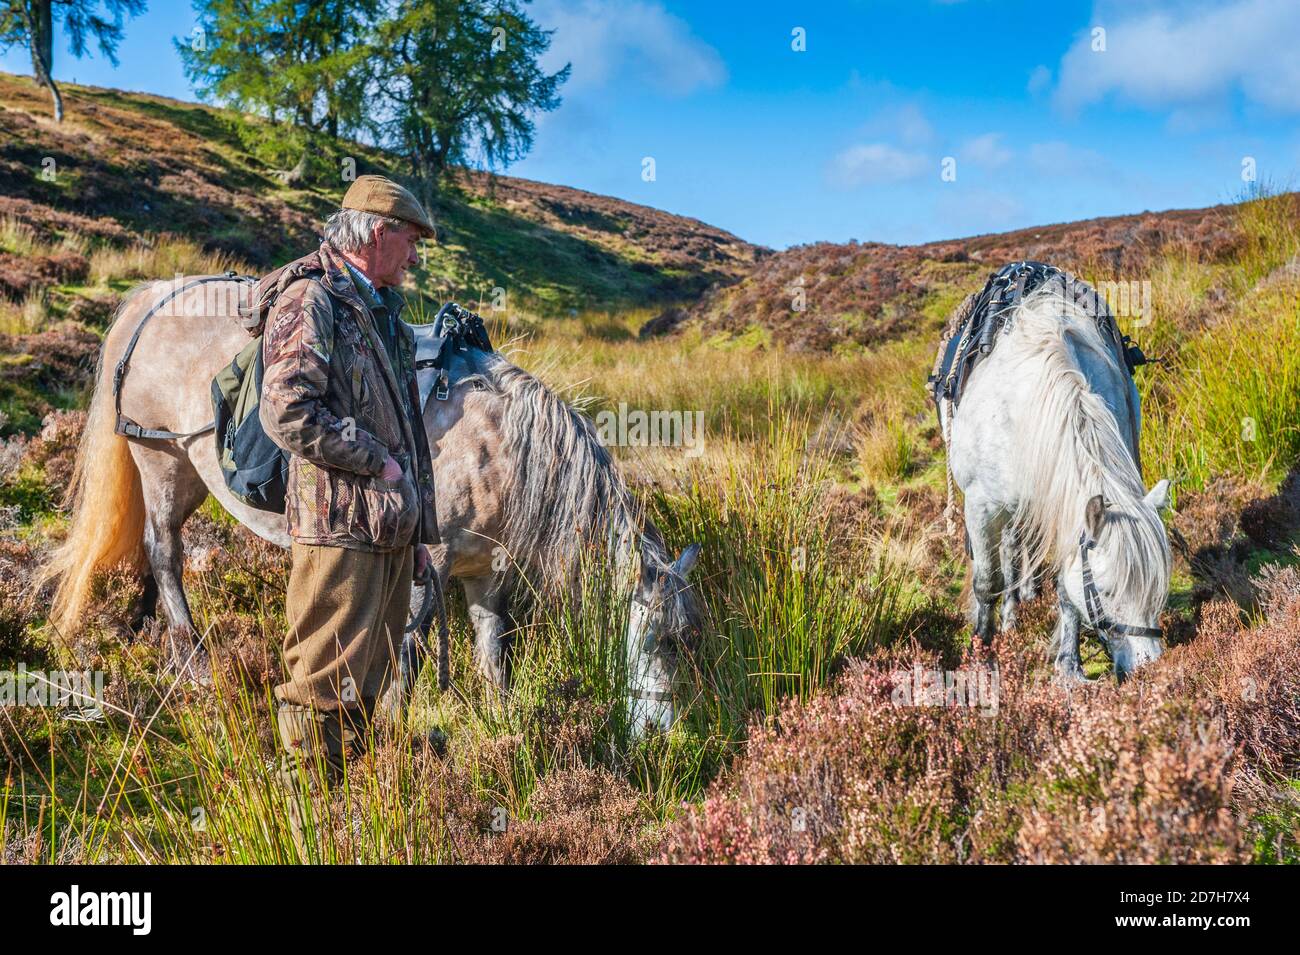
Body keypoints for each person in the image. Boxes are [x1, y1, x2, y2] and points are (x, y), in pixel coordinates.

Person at [257, 175, 438, 782]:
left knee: (365, 682)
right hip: (339, 526)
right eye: (410, 240)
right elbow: (287, 409)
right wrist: (374, 461)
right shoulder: (311, 299)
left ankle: (345, 807)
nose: (414, 257)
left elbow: (407, 429)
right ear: (378, 233)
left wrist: (415, 532)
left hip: (385, 527)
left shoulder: (377, 308)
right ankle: (307, 810)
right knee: (322, 680)